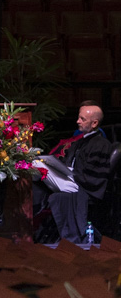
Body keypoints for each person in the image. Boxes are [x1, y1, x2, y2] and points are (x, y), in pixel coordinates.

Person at [41, 103, 112, 244]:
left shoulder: (101, 144)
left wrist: (70, 173)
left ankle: (71, 240)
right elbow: (67, 161)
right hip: (72, 181)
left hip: (87, 186)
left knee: (60, 197)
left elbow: (92, 174)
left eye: (82, 119)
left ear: (94, 123)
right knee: (39, 183)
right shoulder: (80, 142)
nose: (77, 121)